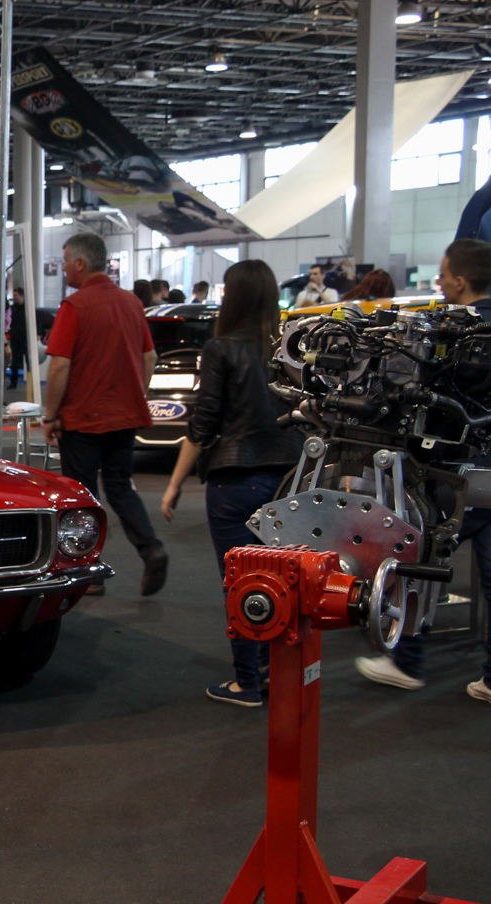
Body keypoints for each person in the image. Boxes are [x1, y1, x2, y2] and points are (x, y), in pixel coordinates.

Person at [354, 238, 491, 708]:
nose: (441, 283)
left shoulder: (454, 333)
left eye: (444, 275)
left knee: (415, 561)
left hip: (455, 477)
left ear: (461, 281)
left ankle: (406, 662)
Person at [159, 260, 301, 707]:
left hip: (234, 479)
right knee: (282, 579)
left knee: (242, 582)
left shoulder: (221, 349)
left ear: (233, 297)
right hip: (289, 480)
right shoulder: (290, 347)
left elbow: (202, 425)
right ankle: (274, 670)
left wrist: (174, 483)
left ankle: (246, 682)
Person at [43, 233, 168, 597]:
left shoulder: (74, 306)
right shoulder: (132, 303)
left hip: (82, 418)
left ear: (81, 264)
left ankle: (88, 574)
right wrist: (135, 395)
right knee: (119, 486)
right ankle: (151, 548)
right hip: (124, 416)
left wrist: (50, 416)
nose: (63, 268)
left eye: (66, 261)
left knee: (81, 496)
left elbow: (59, 366)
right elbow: (149, 357)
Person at [7, 287, 27, 390]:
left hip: (25, 339)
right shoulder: (11, 309)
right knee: (14, 362)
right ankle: (13, 382)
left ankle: (32, 382)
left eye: (15, 295)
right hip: (15, 338)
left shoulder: (27, 308)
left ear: (21, 296)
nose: (14, 297)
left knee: (29, 361)